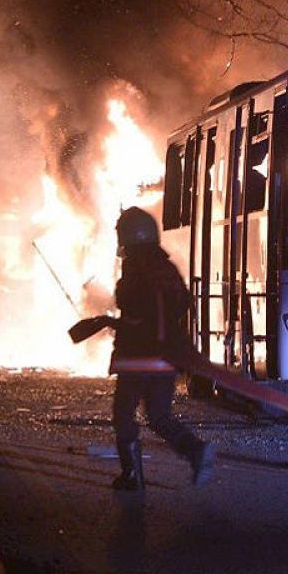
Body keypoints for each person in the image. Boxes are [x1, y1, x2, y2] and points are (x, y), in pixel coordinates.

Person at [74, 207, 215, 491]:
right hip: (166, 356)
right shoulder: (167, 267)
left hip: (137, 357)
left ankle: (131, 476)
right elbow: (182, 303)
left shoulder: (135, 270)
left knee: (123, 414)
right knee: (159, 416)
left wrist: (113, 322)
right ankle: (195, 450)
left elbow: (133, 311)